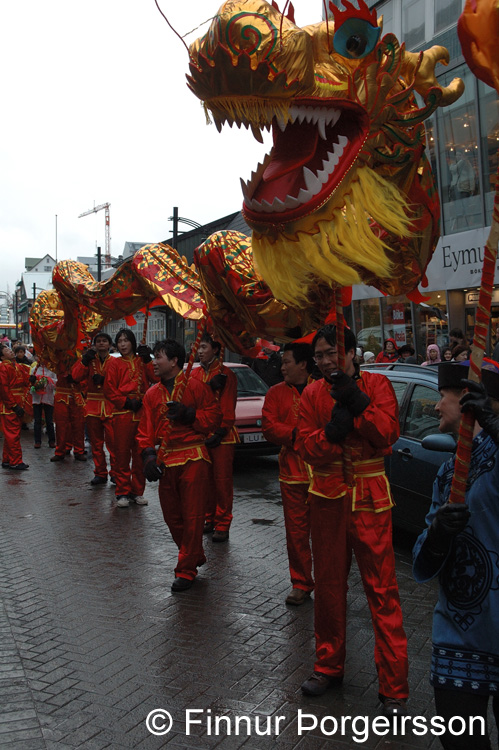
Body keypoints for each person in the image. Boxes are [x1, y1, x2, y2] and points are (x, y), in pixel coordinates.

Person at [295, 325, 409, 715]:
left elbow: (388, 434)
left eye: (333, 353)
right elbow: (306, 447)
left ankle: (393, 687)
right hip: (327, 500)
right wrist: (331, 433)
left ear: (352, 354)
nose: (327, 362)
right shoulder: (311, 393)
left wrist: (358, 405)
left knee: (382, 591)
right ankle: (328, 665)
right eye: (320, 356)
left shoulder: (377, 385)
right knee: (327, 587)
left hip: (370, 499)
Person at [413, 360, 499, 748]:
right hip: (459, 635)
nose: (434, 407)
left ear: (465, 399)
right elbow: (423, 561)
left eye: (441, 396)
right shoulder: (449, 472)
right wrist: (436, 535)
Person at [136, 339, 221, 591]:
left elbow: (214, 417)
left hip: (193, 456)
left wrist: (190, 415)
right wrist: (148, 455)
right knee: (172, 516)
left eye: (159, 357)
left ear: (174, 361)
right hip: (166, 459)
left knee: (193, 516)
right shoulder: (152, 394)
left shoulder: (195, 386)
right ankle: (193, 554)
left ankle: (185, 569)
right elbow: (144, 430)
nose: (154, 362)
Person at [262, 342, 315, 606]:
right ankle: (301, 582)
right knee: (296, 533)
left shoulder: (323, 388)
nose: (282, 368)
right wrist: (294, 434)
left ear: (303, 364)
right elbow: (270, 427)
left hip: (325, 474)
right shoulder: (275, 393)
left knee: (329, 534)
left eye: (287, 362)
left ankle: (331, 582)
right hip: (292, 474)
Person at [191, 333, 238, 542]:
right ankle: (209, 519)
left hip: (222, 437)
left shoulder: (227, 374)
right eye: (198, 347)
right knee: (205, 482)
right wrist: (209, 387)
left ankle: (223, 523)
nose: (199, 351)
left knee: (222, 482)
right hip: (201, 435)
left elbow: (228, 406)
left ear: (216, 349)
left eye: (203, 347)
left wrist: (221, 431)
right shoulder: (194, 375)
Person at [103, 329, 155, 508]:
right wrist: (125, 402)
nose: (123, 344)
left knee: (140, 453)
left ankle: (137, 491)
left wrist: (148, 359)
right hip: (123, 413)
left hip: (141, 411)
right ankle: (122, 491)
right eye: (120, 341)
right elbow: (109, 389)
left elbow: (156, 377)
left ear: (133, 342)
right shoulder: (114, 364)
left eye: (126, 340)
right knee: (122, 453)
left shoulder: (142, 361)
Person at [72, 332, 118, 486]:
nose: (101, 344)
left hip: (111, 406)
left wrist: (105, 381)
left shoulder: (115, 362)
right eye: (98, 341)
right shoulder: (89, 361)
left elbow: (119, 382)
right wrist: (84, 361)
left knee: (113, 444)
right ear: (94, 344)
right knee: (96, 444)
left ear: (110, 345)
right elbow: (76, 376)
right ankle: (100, 473)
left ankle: (116, 473)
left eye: (104, 341)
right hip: (92, 406)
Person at [0, 343, 30, 470]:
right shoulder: (3, 368)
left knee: (11, 434)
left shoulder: (16, 366)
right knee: (13, 434)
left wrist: (32, 379)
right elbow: (4, 389)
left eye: (8, 348)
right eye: (6, 350)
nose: (10, 351)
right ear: (2, 357)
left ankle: (7, 459)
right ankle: (16, 461)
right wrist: (13, 405)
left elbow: (23, 380)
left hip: (17, 403)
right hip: (10, 406)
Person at [51, 362, 86, 462]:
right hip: (62, 395)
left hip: (76, 395)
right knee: (61, 425)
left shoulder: (81, 360)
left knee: (79, 424)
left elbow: (86, 377)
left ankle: (79, 450)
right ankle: (60, 451)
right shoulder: (58, 358)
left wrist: (77, 380)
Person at [29, 361, 57, 449]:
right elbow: (30, 384)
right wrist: (33, 381)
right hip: (37, 398)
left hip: (48, 397)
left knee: (49, 420)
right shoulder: (34, 369)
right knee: (37, 421)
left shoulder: (52, 369)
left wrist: (48, 380)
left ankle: (52, 440)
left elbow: (56, 382)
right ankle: (37, 441)